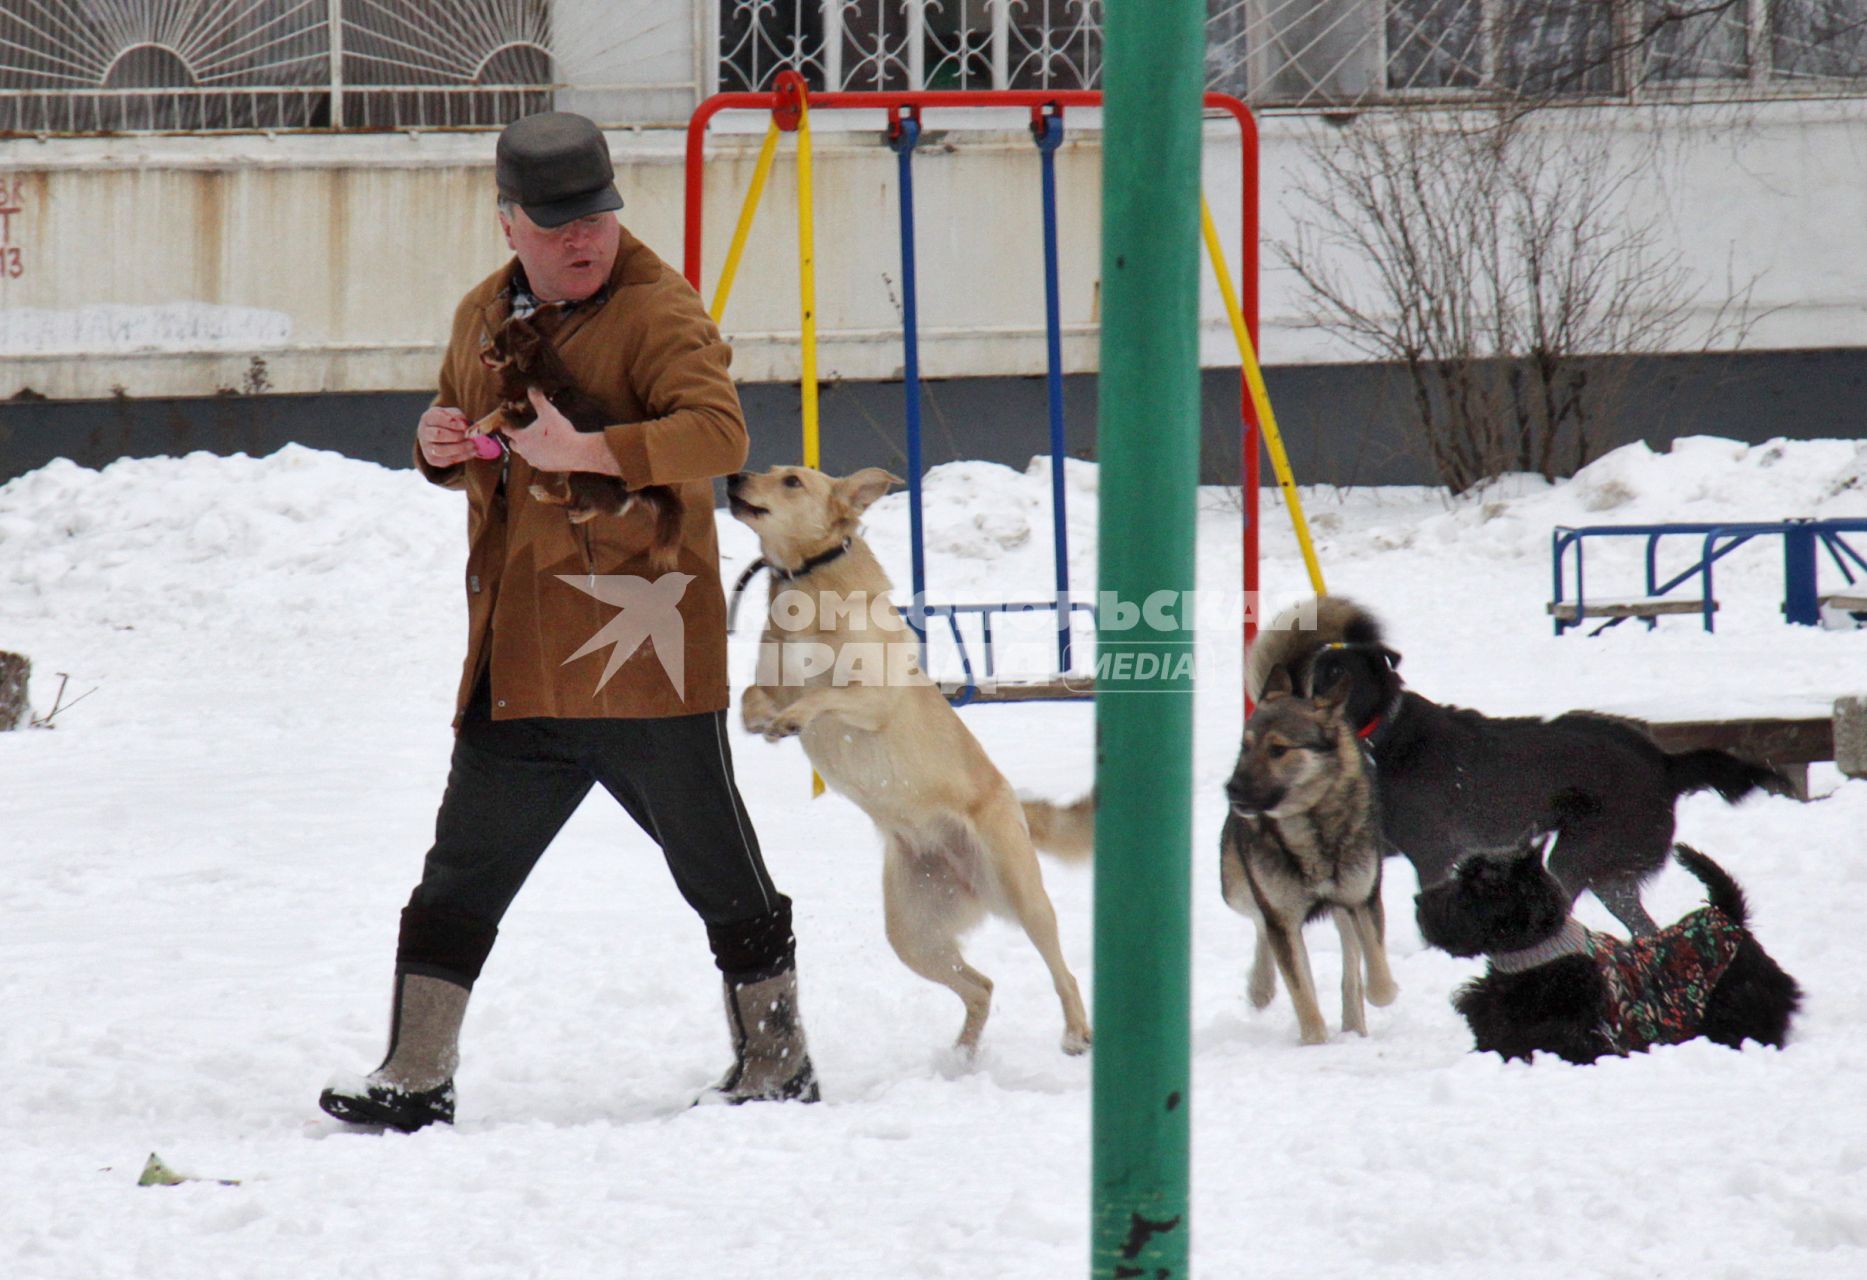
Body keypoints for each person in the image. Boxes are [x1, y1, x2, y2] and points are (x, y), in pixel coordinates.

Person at [319, 111, 817, 1132]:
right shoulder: (478, 314)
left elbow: (719, 431)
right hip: (525, 652)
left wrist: (588, 451)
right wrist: (437, 441)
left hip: (641, 649)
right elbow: (461, 429)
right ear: (509, 224)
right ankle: (416, 1074)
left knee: (717, 865)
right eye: (556, 225)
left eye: (594, 216)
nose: (582, 239)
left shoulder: (657, 311)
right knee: (461, 867)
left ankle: (777, 1059)